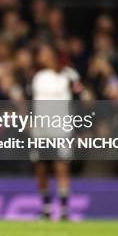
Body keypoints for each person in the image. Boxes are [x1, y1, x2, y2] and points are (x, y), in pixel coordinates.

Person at [31, 43, 81, 220]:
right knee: (42, 168)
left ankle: (65, 210)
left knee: (62, 167)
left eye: (43, 51)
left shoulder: (69, 75)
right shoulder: (38, 76)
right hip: (40, 131)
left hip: (61, 130)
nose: (40, 55)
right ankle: (46, 208)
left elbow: (79, 98)